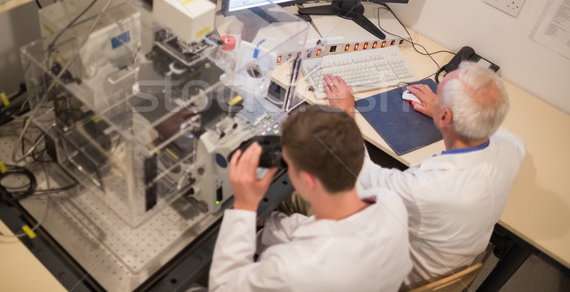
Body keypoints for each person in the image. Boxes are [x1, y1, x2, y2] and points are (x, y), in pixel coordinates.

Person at [323, 62, 526, 289]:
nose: (433, 97)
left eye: (437, 95)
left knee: (300, 191)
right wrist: (441, 110)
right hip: (451, 267)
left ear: (445, 117)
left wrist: (344, 112)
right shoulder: (512, 150)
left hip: (388, 277)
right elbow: (505, 131)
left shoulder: (423, 187)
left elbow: (359, 173)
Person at [208, 105, 412, 292]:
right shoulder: (391, 202)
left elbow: (222, 286)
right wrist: (265, 225)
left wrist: (245, 207)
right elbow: (316, 231)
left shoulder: (293, 270)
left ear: (307, 181)